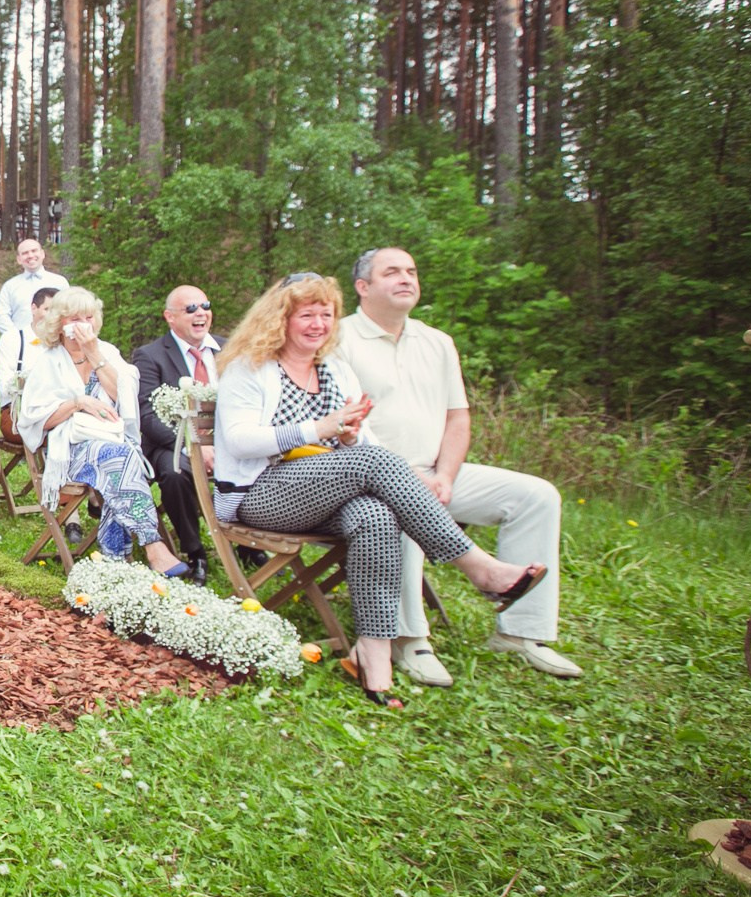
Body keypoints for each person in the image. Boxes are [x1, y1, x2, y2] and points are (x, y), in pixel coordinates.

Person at [212, 273, 547, 708]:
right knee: (373, 465)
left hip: (328, 488)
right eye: (306, 315)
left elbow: (364, 443)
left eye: (326, 315)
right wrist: (320, 428)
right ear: (280, 319)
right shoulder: (250, 367)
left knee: (375, 515)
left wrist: (348, 436)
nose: (318, 324)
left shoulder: (335, 369)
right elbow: (240, 441)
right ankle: (479, 568)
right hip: (262, 494)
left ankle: (373, 650)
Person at [333, 246, 578, 684]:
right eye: (392, 272)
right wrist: (410, 478)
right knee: (398, 505)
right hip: (367, 476)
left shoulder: (437, 342)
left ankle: (522, 632)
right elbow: (342, 423)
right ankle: (408, 639)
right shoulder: (339, 339)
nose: (406, 278)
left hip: (438, 471)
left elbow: (457, 418)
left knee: (536, 495)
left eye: (411, 271)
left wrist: (445, 475)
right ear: (363, 287)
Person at [19, 288, 188, 576]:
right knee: (121, 458)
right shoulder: (48, 361)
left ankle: (115, 562)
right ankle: (152, 545)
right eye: (75, 318)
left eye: (89, 317)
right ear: (60, 323)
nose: (83, 324)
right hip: (68, 449)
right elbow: (36, 420)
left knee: (118, 460)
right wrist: (78, 403)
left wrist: (94, 354)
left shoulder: (107, 353)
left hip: (113, 444)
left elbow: (123, 399)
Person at [132, 285, 226, 584]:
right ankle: (195, 551)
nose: (201, 313)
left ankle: (249, 546)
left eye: (205, 306)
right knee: (175, 473)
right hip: (170, 443)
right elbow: (147, 415)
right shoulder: (150, 355)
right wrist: (193, 446)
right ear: (169, 317)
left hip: (228, 441)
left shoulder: (229, 350)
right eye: (191, 309)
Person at [0, 285, 62, 413]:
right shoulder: (12, 339)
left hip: (57, 409)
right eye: (47, 309)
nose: (52, 316)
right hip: (18, 409)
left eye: (57, 311)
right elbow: (5, 388)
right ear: (33, 308)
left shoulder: (64, 341)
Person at [0, 238, 68, 336]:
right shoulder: (10, 286)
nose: (30, 255)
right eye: (25, 253)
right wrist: (18, 336)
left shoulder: (59, 282)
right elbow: (1, 317)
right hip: (20, 341)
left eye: (34, 251)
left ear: (42, 254)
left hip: (53, 339)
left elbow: (68, 311)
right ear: (19, 259)